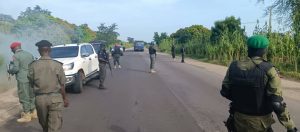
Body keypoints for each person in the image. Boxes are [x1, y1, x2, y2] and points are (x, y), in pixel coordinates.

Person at [221, 35, 297, 132]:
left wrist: (242, 98)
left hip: (237, 119)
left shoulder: (234, 66)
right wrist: (290, 126)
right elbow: (276, 103)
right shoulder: (269, 70)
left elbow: (225, 91)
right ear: (264, 50)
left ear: (248, 48)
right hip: (260, 122)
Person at [28, 40, 69, 132]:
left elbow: (31, 83)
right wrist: (65, 98)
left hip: (40, 99)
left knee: (45, 125)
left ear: (39, 50)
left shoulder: (33, 66)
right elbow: (62, 84)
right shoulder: (57, 65)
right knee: (54, 126)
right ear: (50, 50)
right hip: (56, 99)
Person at [7, 42, 37, 123]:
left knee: (24, 96)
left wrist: (10, 71)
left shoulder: (16, 56)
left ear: (14, 49)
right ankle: (34, 112)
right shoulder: (29, 54)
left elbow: (16, 69)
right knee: (32, 95)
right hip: (31, 77)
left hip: (22, 79)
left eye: (11, 49)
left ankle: (26, 115)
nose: (11, 51)